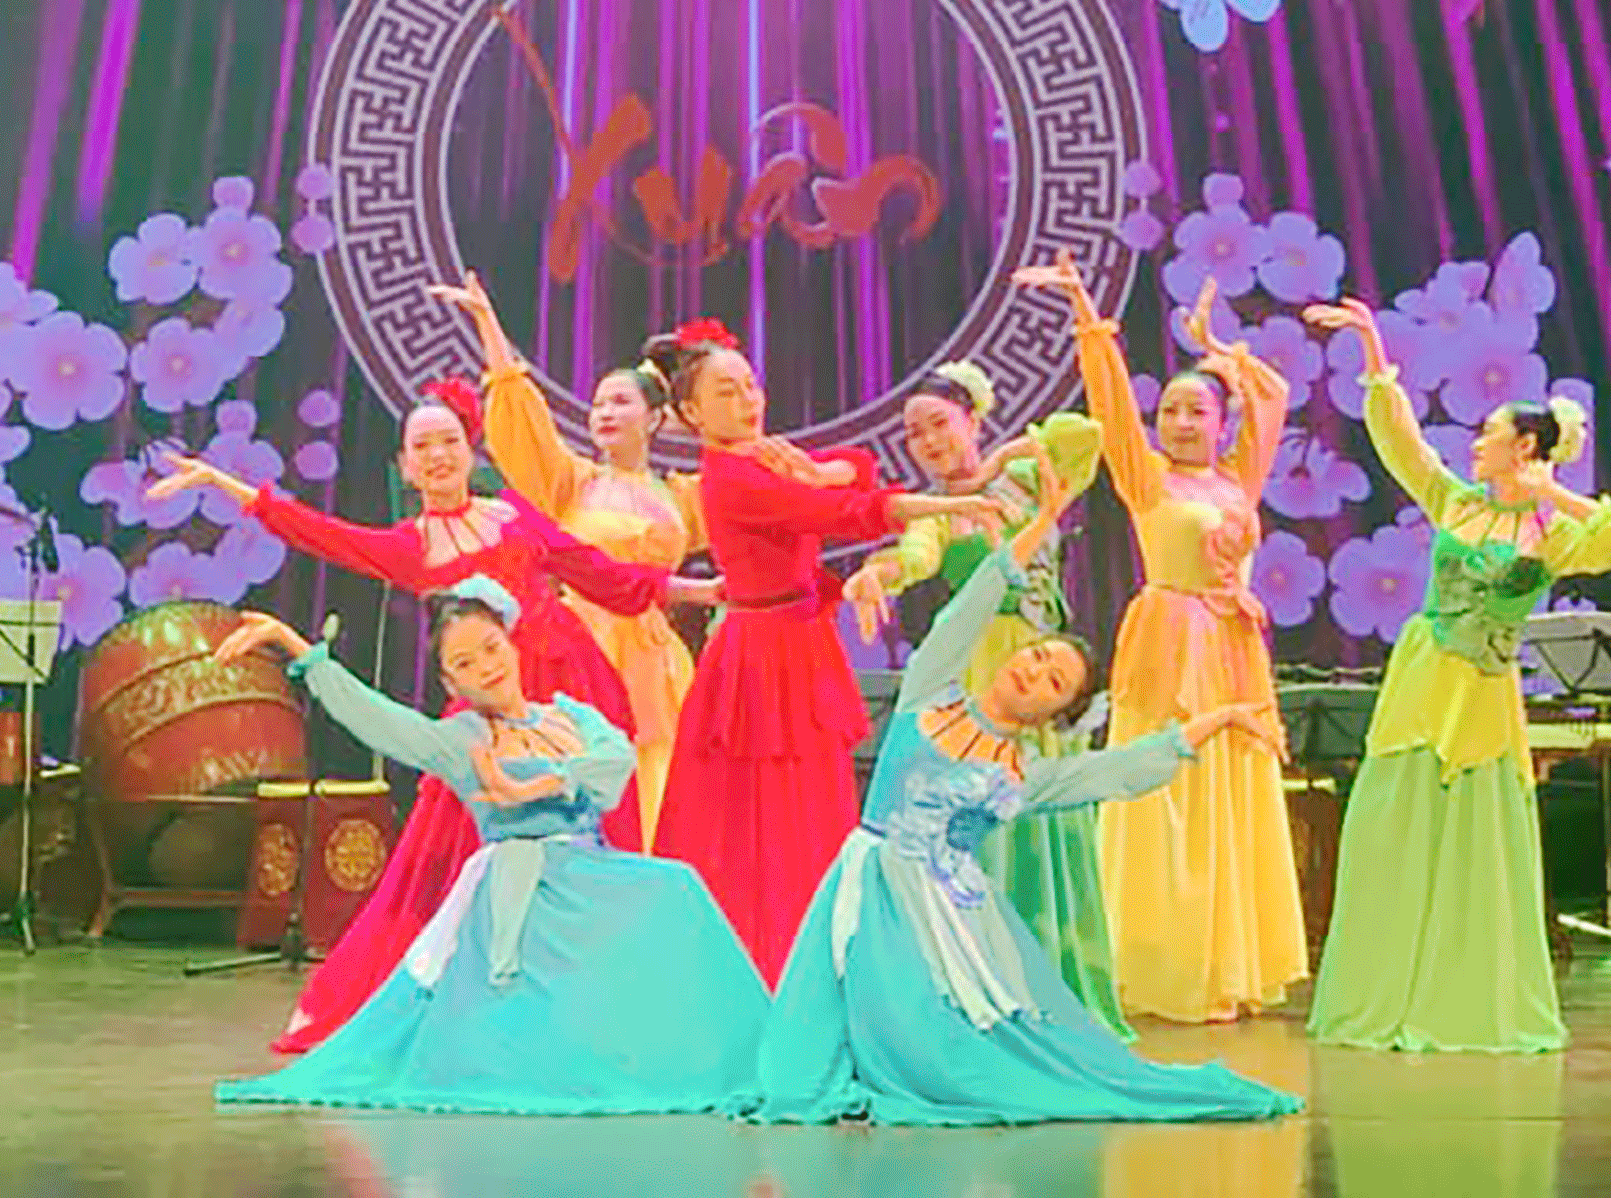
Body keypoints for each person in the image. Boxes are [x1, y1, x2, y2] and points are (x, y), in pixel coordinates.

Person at [147, 380, 714, 1053]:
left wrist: (701, 588)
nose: (439, 455)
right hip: (488, 712)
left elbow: (595, 571)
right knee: (454, 856)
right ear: (407, 466)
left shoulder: (512, 515)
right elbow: (319, 533)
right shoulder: (409, 545)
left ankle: (588, 1003)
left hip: (569, 687)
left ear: (470, 450)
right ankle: (463, 999)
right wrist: (223, 482)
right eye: (424, 446)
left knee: (586, 848)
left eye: (450, 441)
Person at [741, 452, 1301, 1126]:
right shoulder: (931, 692)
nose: (1034, 673)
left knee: (952, 1055)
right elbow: (977, 599)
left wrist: (1222, 718)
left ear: (1055, 715)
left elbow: (1116, 770)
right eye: (1038, 657)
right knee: (822, 1047)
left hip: (949, 910)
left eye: (1054, 683)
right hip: (871, 879)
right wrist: (1043, 518)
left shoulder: (1020, 774)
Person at [212, 581, 768, 1113]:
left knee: (679, 888)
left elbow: (614, 762)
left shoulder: (568, 715)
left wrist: (532, 785)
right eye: (465, 665)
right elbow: (378, 719)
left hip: (589, 869)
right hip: (521, 880)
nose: (486, 667)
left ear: (510, 643)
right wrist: (299, 650)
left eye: (490, 648)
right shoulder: (464, 740)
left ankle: (744, 1056)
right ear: (452, 686)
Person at [1300, 295, 1611, 1053]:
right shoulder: (1455, 503)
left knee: (1475, 841)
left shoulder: (1552, 534)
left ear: (1525, 444)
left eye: (1488, 435)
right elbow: (1399, 442)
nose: (1474, 446)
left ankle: (1463, 993)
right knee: (1398, 823)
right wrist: (1369, 344)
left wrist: (1550, 488)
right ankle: (1388, 986)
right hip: (1423, 675)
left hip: (1484, 694)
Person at [640, 318, 1008, 982]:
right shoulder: (731, 476)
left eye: (751, 384)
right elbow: (840, 514)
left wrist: (823, 466)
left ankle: (818, 949)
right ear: (691, 411)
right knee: (766, 817)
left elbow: (851, 474)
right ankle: (770, 955)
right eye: (726, 392)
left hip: (797, 643)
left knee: (810, 807)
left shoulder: (766, 456)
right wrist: (943, 506)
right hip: (762, 656)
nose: (749, 400)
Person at [1016, 254, 1307, 1025]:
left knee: (1226, 797)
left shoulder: (1237, 481)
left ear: (1220, 423)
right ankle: (1159, 964)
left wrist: (1221, 347)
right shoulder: (1148, 480)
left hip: (1233, 648)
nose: (1179, 421)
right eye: (1170, 410)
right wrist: (1087, 316)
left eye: (1196, 411)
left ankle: (1218, 965)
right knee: (1164, 793)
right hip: (1169, 637)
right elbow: (1111, 406)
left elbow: (1273, 399)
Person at [841, 360, 1129, 1038]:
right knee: (984, 825)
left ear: (973, 418)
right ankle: (980, 976)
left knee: (1047, 821)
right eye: (915, 434)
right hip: (984, 681)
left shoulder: (1027, 482)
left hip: (1044, 667)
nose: (929, 441)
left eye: (940, 423)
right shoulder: (940, 517)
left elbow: (1083, 436)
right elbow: (910, 557)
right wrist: (872, 575)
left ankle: (1054, 978)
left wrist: (1001, 458)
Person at [430, 272, 705, 845]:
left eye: (621, 402)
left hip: (654, 654)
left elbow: (747, 497)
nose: (604, 412)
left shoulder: (682, 494)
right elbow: (525, 428)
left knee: (659, 768)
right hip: (585, 646)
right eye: (598, 402)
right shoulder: (573, 482)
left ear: (655, 418)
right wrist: (489, 326)